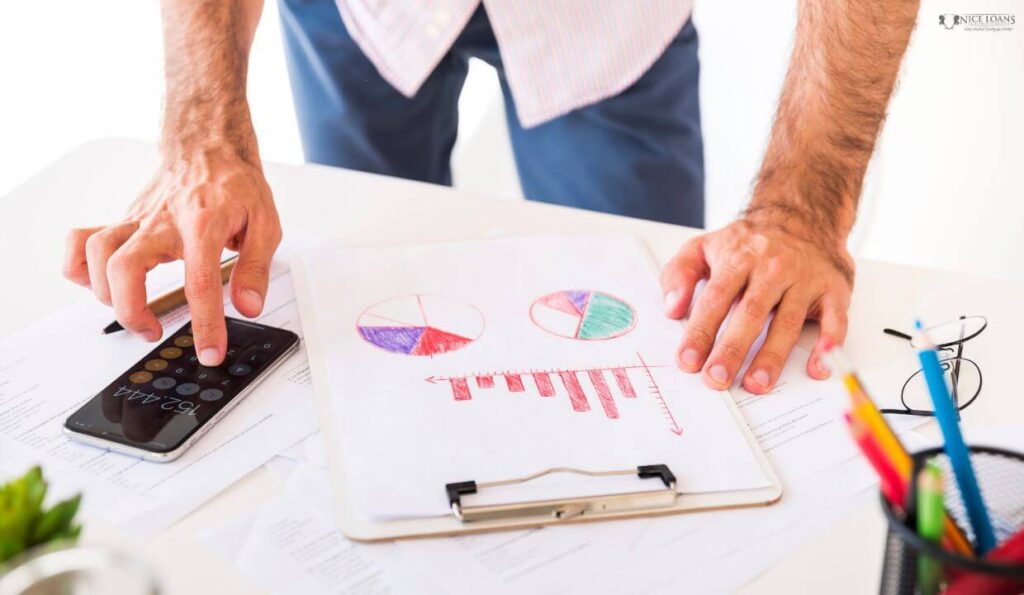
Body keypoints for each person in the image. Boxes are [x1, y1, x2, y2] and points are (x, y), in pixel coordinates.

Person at [62, 0, 919, 396]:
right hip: (358, 18)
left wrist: (803, 210)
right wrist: (202, 127)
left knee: (649, 329)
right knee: (363, 306)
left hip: (608, 30)